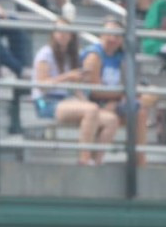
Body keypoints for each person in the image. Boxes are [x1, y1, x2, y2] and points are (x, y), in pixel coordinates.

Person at [33, 29, 117, 165]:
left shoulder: (71, 56)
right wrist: (67, 77)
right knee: (91, 110)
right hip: (46, 102)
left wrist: (86, 100)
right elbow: (42, 85)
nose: (62, 35)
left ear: (71, 36)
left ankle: (96, 162)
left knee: (111, 119)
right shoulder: (45, 53)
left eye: (66, 32)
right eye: (59, 31)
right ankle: (84, 160)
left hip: (67, 101)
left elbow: (76, 89)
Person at [81, 18, 157, 166]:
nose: (113, 39)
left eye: (117, 36)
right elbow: (94, 91)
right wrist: (124, 94)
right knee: (121, 110)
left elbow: (128, 83)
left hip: (115, 101)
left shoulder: (121, 57)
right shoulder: (94, 56)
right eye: (109, 34)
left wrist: (129, 94)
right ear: (101, 34)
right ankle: (95, 161)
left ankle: (140, 162)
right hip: (95, 103)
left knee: (142, 110)